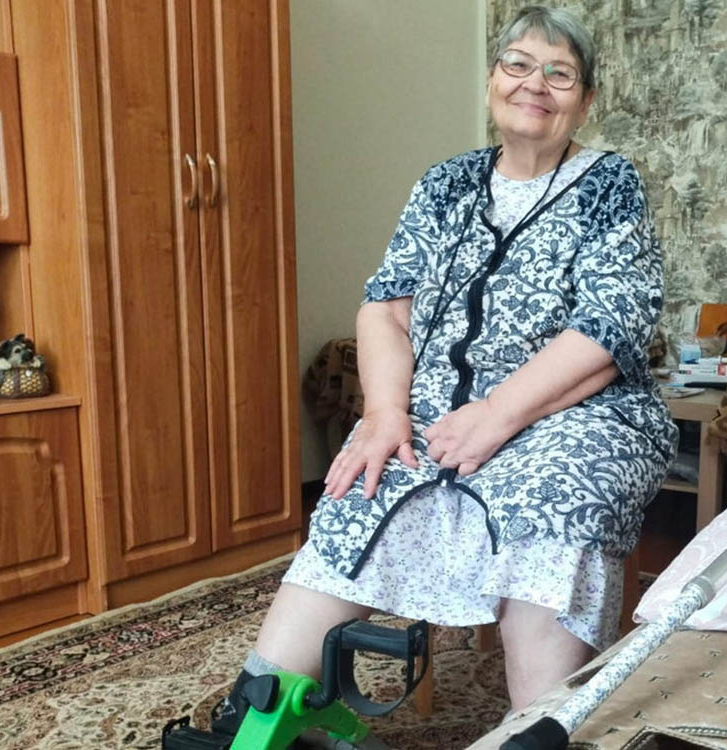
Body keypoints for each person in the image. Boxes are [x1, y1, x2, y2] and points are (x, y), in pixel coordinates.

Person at [211, 5, 676, 733]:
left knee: (556, 502)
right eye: (518, 64)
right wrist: (383, 413)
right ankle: (257, 708)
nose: (535, 84)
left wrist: (496, 415)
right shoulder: (446, 184)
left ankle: (539, 725)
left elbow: (609, 330)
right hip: (433, 411)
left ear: (585, 101)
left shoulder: (609, 184)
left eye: (560, 74)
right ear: (493, 80)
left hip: (577, 415)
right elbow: (386, 309)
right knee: (362, 484)